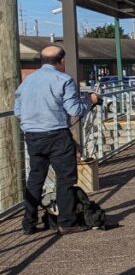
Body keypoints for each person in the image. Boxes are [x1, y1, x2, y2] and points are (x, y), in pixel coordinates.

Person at [14, 46, 99, 235]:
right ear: (61, 61)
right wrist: (90, 100)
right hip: (57, 135)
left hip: (33, 135)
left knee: (35, 178)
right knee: (66, 179)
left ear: (42, 61)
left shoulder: (27, 81)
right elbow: (74, 110)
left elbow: (18, 110)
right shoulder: (64, 79)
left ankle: (28, 223)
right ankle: (66, 222)